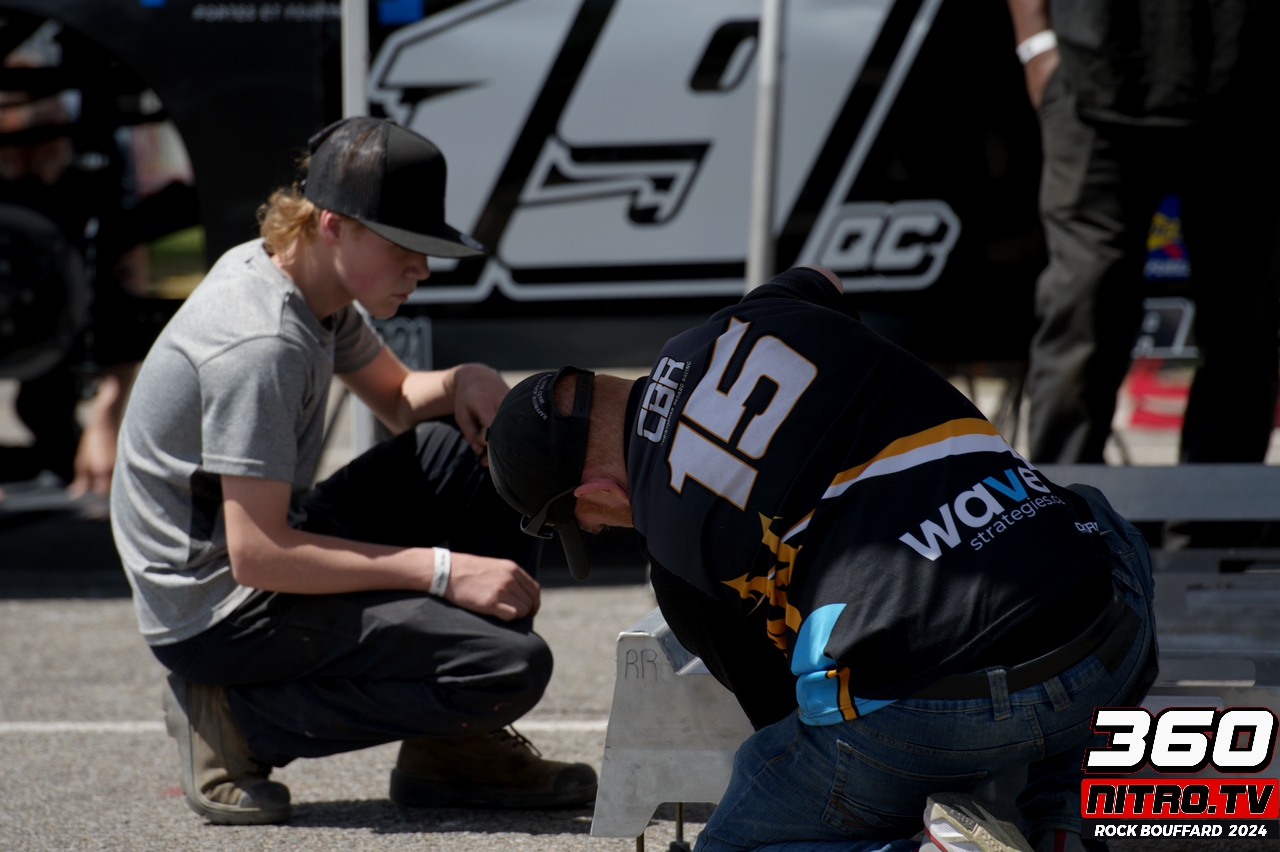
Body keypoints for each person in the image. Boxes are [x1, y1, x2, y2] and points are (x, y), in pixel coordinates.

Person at [486, 267, 1157, 852]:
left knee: (747, 831)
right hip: (1106, 631)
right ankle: (1061, 816)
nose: (600, 529)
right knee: (1083, 512)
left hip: (941, 715)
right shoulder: (761, 314)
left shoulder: (677, 563)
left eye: (584, 524)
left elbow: (792, 720)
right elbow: (823, 278)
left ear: (594, 493)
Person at [109, 117, 596, 826]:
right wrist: (443, 571)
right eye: (404, 247)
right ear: (334, 225)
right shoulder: (260, 344)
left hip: (261, 550)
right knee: (506, 666)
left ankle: (453, 751)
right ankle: (232, 718)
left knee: (476, 446)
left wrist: (465, 379)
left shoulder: (307, 282)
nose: (421, 268)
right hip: (215, 611)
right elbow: (257, 555)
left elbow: (399, 399)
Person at [1009, 0, 1280, 466]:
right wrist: (1036, 46)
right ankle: (1061, 499)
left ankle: (1221, 508)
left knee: (1243, 318)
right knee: (1082, 306)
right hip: (1090, 79)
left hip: (1246, 84)